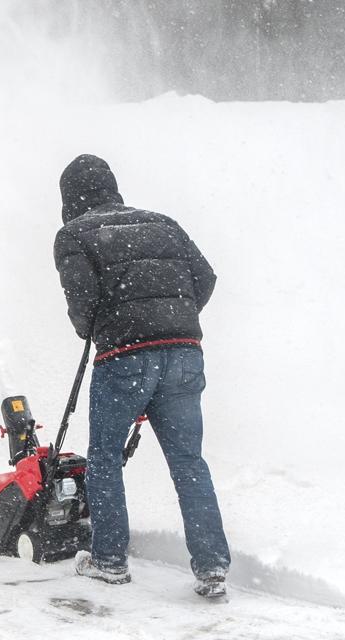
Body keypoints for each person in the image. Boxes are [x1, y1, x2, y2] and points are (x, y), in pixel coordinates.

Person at [54, 154, 231, 597]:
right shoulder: (163, 223)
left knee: (105, 458)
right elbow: (205, 278)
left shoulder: (73, 234)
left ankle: (110, 560)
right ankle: (211, 566)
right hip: (185, 354)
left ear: (69, 198)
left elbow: (83, 302)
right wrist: (172, 320)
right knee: (190, 462)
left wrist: (104, 327)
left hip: (125, 357)